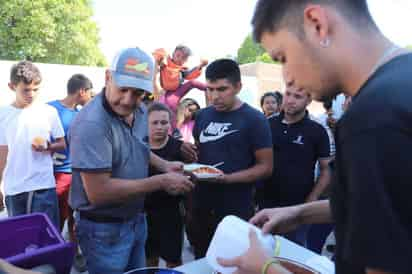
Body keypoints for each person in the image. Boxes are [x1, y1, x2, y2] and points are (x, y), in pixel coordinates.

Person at [218, 0, 412, 273]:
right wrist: (300, 213)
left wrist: (265, 269)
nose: (288, 77)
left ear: (317, 24)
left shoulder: (372, 119)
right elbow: (391, 207)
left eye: (283, 57)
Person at [69, 47, 194, 274]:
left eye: (137, 93)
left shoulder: (141, 110)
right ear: (108, 77)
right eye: (122, 89)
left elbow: (138, 147)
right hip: (102, 230)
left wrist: (163, 165)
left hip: (136, 219)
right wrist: (161, 181)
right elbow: (99, 192)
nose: (127, 100)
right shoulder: (91, 125)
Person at [191, 59, 273, 258]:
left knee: (232, 262)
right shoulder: (202, 116)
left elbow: (266, 167)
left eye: (221, 89)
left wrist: (226, 179)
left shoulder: (254, 119)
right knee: (201, 260)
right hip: (201, 204)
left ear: (238, 87)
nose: (214, 96)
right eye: (210, 89)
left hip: (236, 206)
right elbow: (202, 152)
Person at [263, 79, 331, 246]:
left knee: (292, 255)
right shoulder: (266, 124)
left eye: (298, 96)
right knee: (260, 251)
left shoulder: (317, 130)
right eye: (288, 94)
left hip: (297, 208)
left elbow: (326, 169)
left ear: (308, 100)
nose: (290, 100)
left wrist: (312, 199)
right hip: (265, 203)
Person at [0, 61, 65, 229]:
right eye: (26, 90)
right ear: (12, 86)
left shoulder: (49, 112)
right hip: (14, 189)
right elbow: (2, 153)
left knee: (47, 238)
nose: (31, 94)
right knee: (20, 241)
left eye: (36, 89)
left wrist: (48, 147)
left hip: (43, 186)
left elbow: (62, 143)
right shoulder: (3, 114)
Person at [47, 73, 93, 272]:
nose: (91, 97)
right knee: (56, 218)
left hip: (78, 172)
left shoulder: (81, 113)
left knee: (76, 215)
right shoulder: (49, 109)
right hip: (57, 174)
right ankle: (53, 254)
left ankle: (75, 251)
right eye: (89, 93)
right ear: (81, 91)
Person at [145, 102, 189, 268]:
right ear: (145, 124)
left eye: (164, 122)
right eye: (154, 123)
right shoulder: (138, 147)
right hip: (144, 214)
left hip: (172, 213)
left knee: (174, 260)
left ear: (170, 123)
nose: (160, 127)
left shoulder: (180, 148)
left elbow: (190, 177)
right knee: (149, 259)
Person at [153, 45, 208, 129]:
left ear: (186, 60)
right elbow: (158, 53)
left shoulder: (182, 69)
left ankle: (209, 87)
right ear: (173, 54)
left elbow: (191, 75)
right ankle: (173, 128)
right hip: (163, 89)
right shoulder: (166, 62)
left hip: (177, 90)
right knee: (169, 103)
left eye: (183, 58)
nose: (179, 59)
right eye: (178, 55)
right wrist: (162, 58)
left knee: (191, 83)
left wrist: (201, 65)